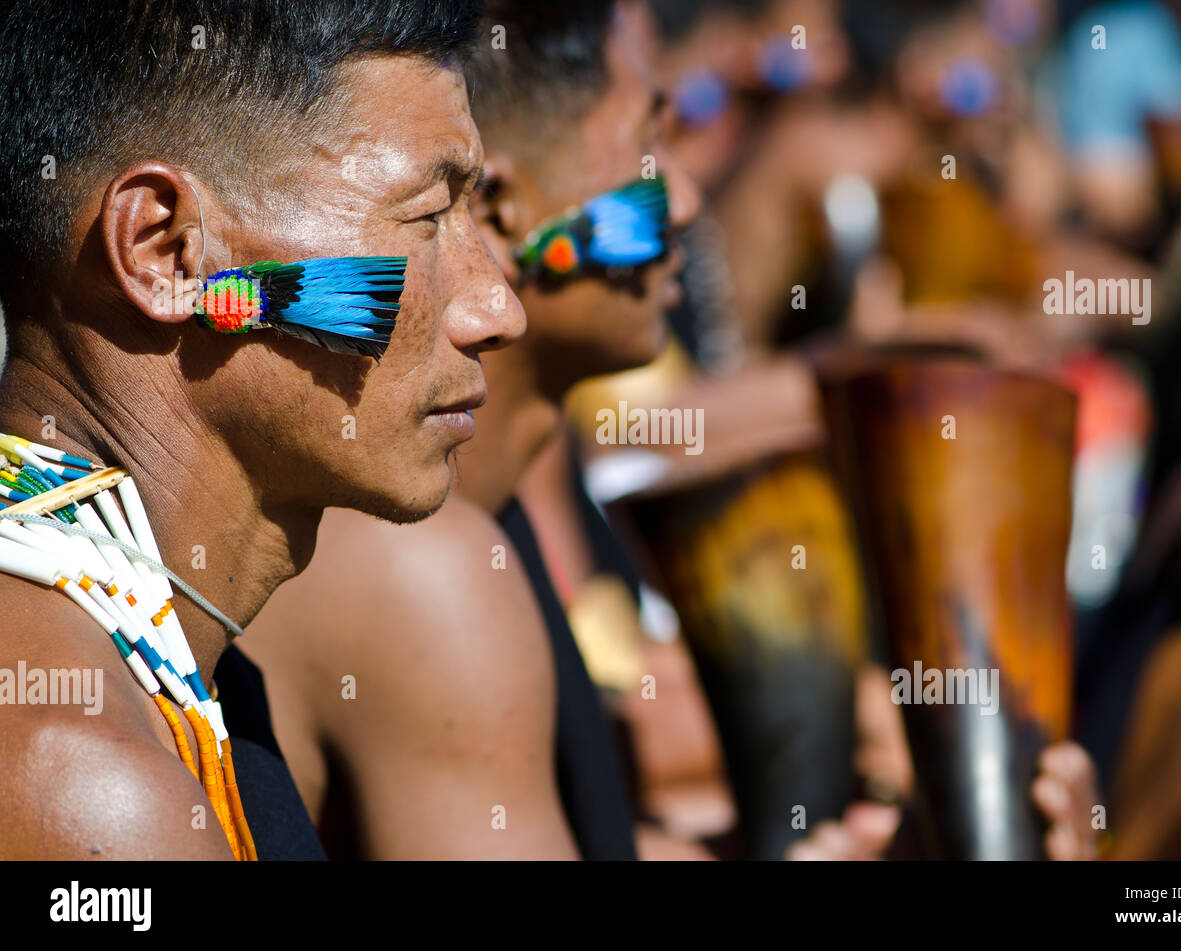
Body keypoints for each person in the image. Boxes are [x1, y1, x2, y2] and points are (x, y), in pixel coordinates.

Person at [0, 0, 522, 860]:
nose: (497, 309)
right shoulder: (85, 781)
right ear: (167, 252)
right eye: (428, 217)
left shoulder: (199, 680)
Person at [242, 0, 701, 859]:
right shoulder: (417, 562)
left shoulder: (506, 495)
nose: (683, 195)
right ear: (505, 206)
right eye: (649, 141)